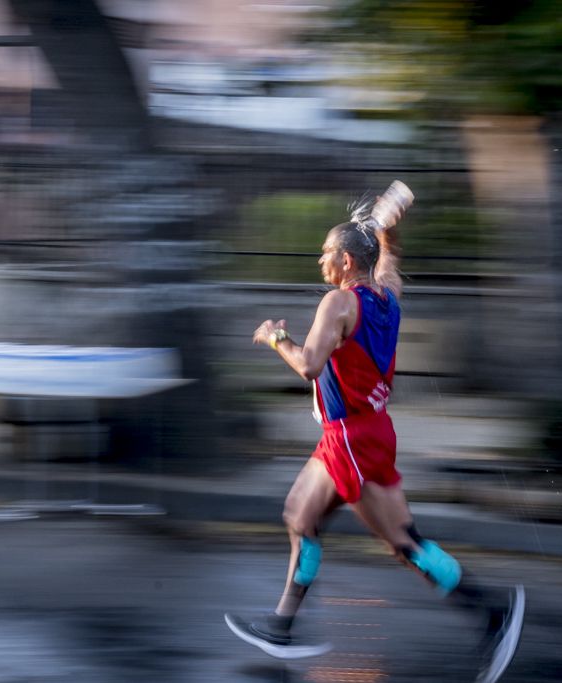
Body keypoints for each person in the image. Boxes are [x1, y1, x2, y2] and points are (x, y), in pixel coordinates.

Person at [224, 184, 525, 683]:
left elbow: (309, 365)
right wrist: (387, 229)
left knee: (403, 544)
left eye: (325, 253)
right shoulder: (387, 293)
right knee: (299, 514)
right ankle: (281, 626)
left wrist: (275, 337)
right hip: (362, 434)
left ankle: (492, 613)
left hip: (353, 440)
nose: (320, 260)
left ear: (344, 261)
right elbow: (389, 258)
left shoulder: (338, 304)